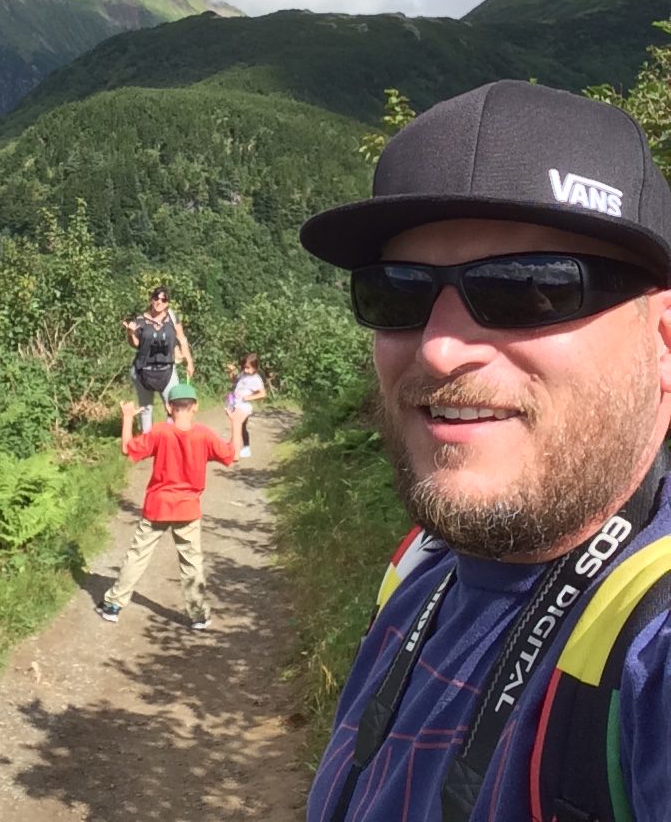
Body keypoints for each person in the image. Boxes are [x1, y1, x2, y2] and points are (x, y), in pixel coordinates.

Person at [298, 80, 671, 822]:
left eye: (527, 288)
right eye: (397, 293)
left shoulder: (651, 657)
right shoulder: (420, 565)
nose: (438, 350)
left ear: (664, 341)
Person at [97, 382, 247, 629]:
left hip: (157, 506)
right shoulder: (204, 435)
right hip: (188, 509)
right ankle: (198, 616)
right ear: (196, 407)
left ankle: (113, 605)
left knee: (138, 556)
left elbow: (127, 448)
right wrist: (236, 423)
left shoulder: (159, 432)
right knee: (191, 563)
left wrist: (126, 418)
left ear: (168, 407)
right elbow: (234, 455)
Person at [122, 286, 194, 433]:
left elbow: (181, 339)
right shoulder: (140, 320)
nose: (159, 302)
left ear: (167, 302)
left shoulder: (172, 318)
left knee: (173, 406)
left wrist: (189, 361)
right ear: (151, 299)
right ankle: (147, 444)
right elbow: (135, 344)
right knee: (146, 408)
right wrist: (130, 333)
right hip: (143, 370)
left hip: (167, 369)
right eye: (156, 298)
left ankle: (170, 438)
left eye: (163, 299)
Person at [225, 352, 267, 458]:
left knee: (237, 424)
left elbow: (263, 394)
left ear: (255, 367)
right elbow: (234, 381)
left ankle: (236, 452)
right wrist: (231, 372)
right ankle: (238, 447)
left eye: (248, 368)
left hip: (244, 406)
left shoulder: (256, 379)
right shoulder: (243, 374)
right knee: (240, 426)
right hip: (236, 403)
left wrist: (249, 397)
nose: (245, 370)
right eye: (244, 367)